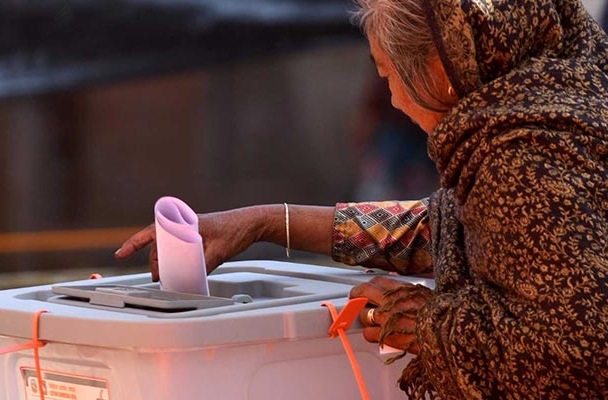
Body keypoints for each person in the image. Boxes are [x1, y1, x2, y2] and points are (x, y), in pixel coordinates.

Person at [115, 0, 608, 398]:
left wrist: (428, 326)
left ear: (438, 69)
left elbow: (579, 353)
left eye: (388, 73)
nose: (392, 98)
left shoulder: (521, 158)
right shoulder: (563, 109)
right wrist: (262, 222)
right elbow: (444, 228)